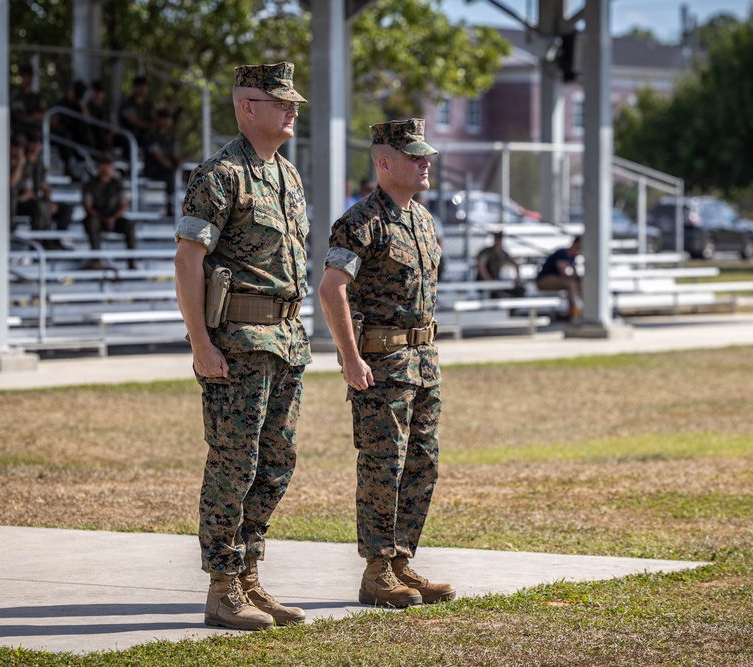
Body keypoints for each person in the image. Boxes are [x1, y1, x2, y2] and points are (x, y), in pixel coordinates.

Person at [173, 62, 311, 632]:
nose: (292, 110)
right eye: (280, 102)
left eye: (294, 102)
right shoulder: (220, 174)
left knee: (276, 463)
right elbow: (188, 260)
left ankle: (251, 577)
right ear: (246, 107)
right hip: (237, 343)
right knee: (235, 463)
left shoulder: (288, 176)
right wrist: (200, 343)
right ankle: (222, 586)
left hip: (284, 341)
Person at [318, 118, 455, 609]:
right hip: (382, 366)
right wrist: (350, 359)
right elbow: (331, 288)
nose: (425, 163)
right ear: (384, 162)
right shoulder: (360, 222)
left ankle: (400, 563)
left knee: (422, 464)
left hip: (423, 363)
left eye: (426, 155)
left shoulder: (422, 219)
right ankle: (376, 571)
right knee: (383, 466)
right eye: (415, 156)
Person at [81, 153, 137, 268]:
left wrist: (113, 218)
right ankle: (96, 259)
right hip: (97, 217)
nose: (105, 168)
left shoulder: (118, 185)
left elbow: (123, 205)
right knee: (91, 223)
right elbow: (87, 207)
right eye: (102, 165)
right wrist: (102, 218)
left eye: (108, 165)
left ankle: (132, 261)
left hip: (114, 217)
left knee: (129, 225)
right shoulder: (90, 185)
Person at [536, 235, 583, 321]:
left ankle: (579, 311)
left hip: (556, 279)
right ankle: (573, 313)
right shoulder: (562, 253)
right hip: (545, 279)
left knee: (577, 284)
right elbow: (563, 272)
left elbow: (575, 273)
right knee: (571, 284)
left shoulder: (573, 257)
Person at [143, 108, 182, 208]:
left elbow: (175, 154)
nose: (167, 121)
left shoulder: (170, 136)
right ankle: (170, 204)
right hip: (153, 168)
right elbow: (158, 156)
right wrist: (174, 169)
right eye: (164, 118)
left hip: (167, 167)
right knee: (171, 174)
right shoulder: (151, 135)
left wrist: (180, 167)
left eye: (168, 119)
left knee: (191, 173)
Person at [476, 231, 524, 297]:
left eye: (500, 239)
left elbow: (515, 264)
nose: (499, 241)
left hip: (497, 281)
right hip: (484, 281)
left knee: (519, 290)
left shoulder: (503, 253)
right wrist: (489, 280)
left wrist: (518, 278)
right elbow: (481, 266)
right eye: (497, 239)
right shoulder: (486, 252)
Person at [118, 75, 155, 152]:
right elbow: (133, 121)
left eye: (144, 86)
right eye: (140, 86)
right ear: (134, 87)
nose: (142, 89)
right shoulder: (128, 104)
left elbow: (154, 119)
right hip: (131, 136)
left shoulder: (148, 105)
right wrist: (150, 125)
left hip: (146, 137)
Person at [10, 65, 47, 138]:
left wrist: (33, 117)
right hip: (20, 131)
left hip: (36, 131)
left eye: (31, 76)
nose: (30, 79)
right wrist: (34, 117)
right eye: (27, 76)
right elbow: (21, 117)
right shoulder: (16, 96)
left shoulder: (37, 97)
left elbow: (44, 113)